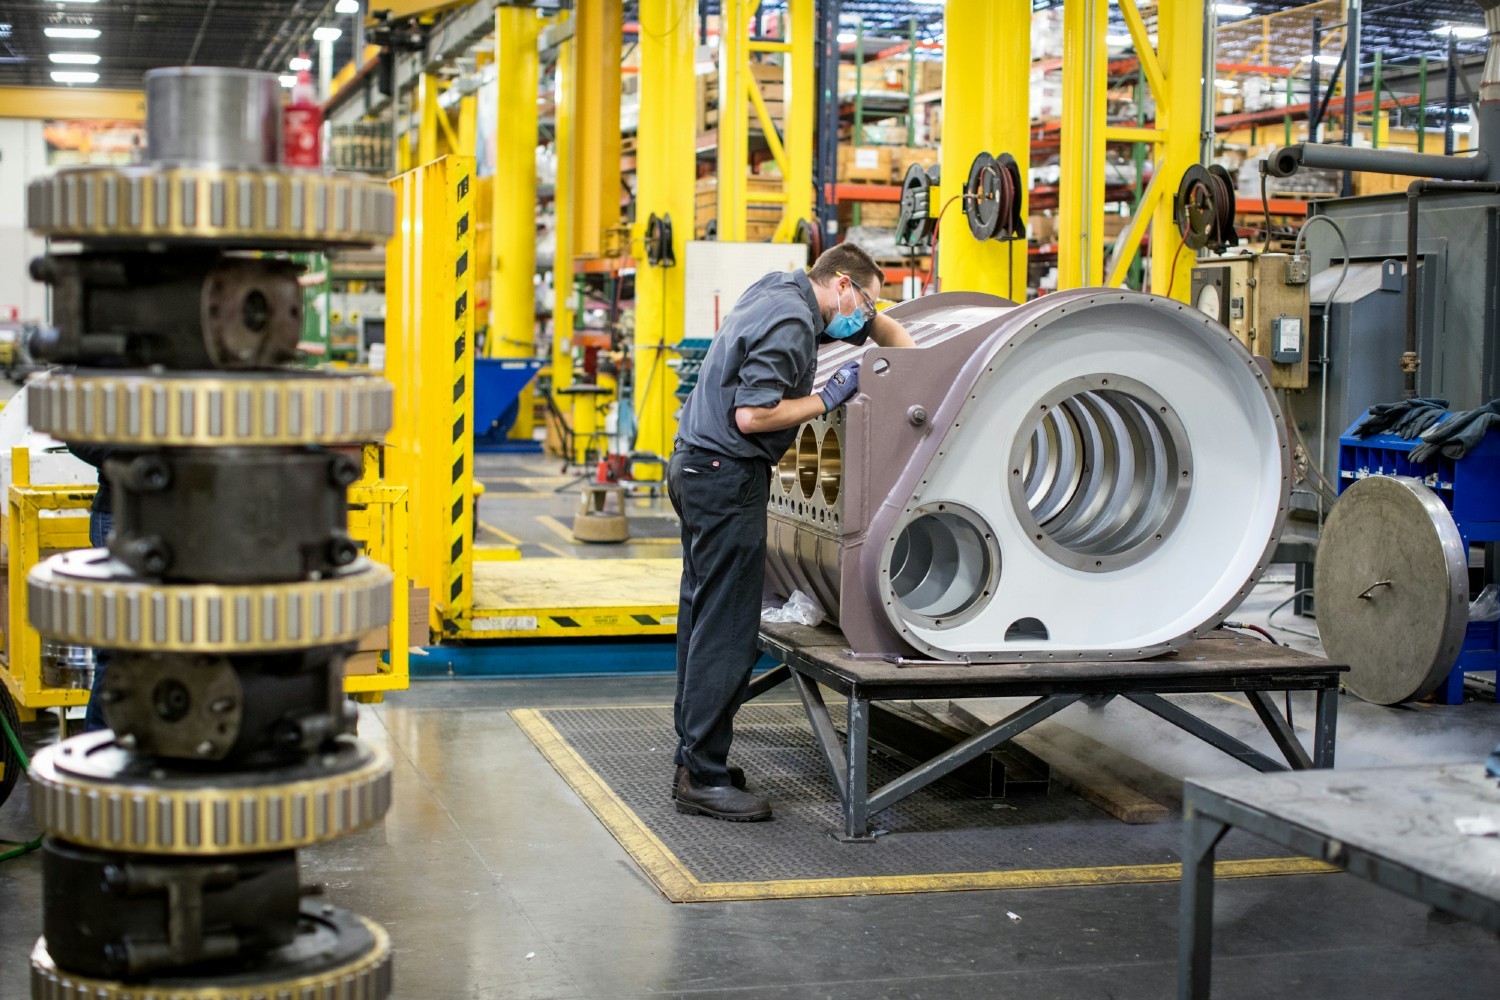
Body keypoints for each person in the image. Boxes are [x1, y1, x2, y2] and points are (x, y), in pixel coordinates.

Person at [668, 242, 915, 822]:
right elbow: (752, 416)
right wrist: (824, 398)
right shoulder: (791, 319)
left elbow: (902, 351)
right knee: (729, 630)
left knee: (701, 617)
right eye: (865, 299)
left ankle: (694, 758)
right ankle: (701, 777)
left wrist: (873, 310)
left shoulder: (781, 291)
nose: (866, 315)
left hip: (696, 468)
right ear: (844, 285)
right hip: (727, 475)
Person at [67, 444, 115, 733]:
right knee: (117, 648)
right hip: (119, 514)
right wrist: (125, 455)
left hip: (189, 514)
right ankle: (99, 746)